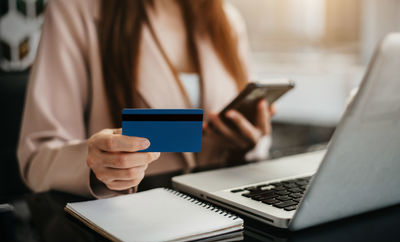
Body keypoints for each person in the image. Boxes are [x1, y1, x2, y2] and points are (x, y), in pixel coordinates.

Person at [17, 0, 274, 198]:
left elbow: (257, 146)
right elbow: (37, 160)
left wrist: (248, 144)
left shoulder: (228, 20)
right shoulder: (76, 9)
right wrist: (95, 165)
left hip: (222, 228)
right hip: (131, 227)